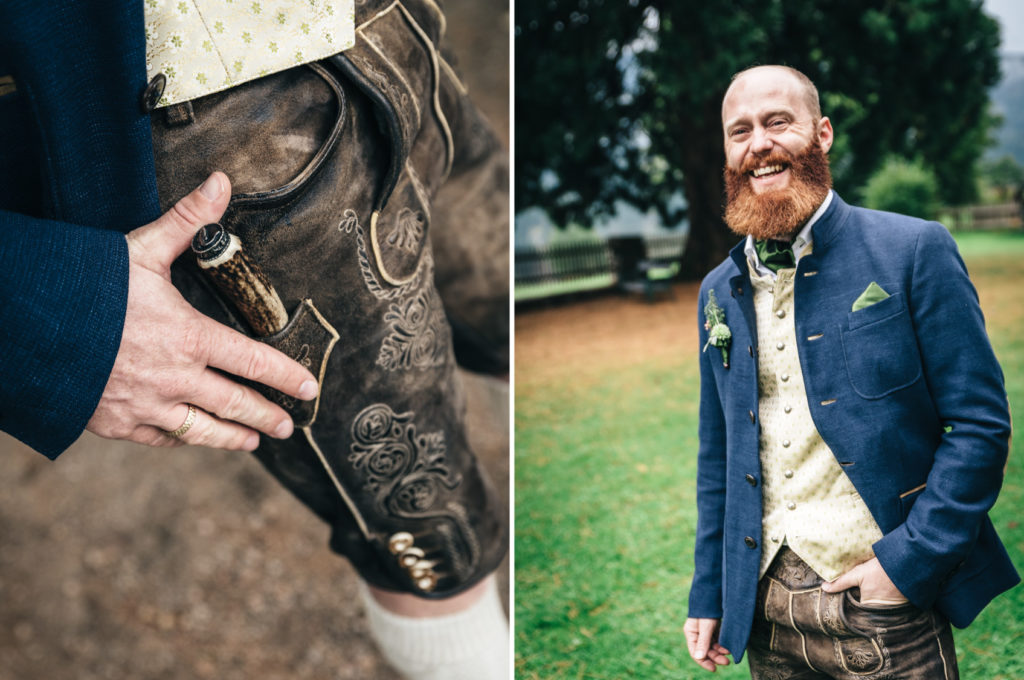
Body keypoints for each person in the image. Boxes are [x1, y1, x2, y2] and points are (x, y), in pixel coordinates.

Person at [0, 2, 508, 678]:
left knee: (501, 314)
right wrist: (50, 313)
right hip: (214, 121)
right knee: (437, 542)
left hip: (387, 28)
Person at [684, 64, 1019, 678]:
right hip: (765, 616)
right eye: (740, 131)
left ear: (823, 134)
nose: (759, 144)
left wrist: (906, 565)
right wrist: (710, 591)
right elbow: (720, 457)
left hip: (884, 610)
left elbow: (980, 424)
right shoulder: (717, 293)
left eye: (778, 122)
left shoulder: (914, 249)